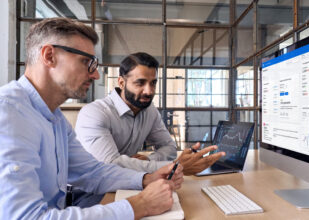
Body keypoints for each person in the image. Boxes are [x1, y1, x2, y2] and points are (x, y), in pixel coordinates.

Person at [0, 17, 184, 220]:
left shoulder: (54, 117)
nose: (96, 75)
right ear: (49, 55)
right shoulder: (8, 114)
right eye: (86, 62)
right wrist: (139, 205)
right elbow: (26, 218)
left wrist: (146, 179)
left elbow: (92, 172)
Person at [75, 52, 225, 175]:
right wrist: (174, 166)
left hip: (128, 184)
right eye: (140, 83)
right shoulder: (94, 113)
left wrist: (147, 161)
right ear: (121, 83)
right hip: (90, 195)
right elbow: (110, 165)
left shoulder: (149, 110)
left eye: (153, 83)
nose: (149, 91)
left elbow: (169, 146)